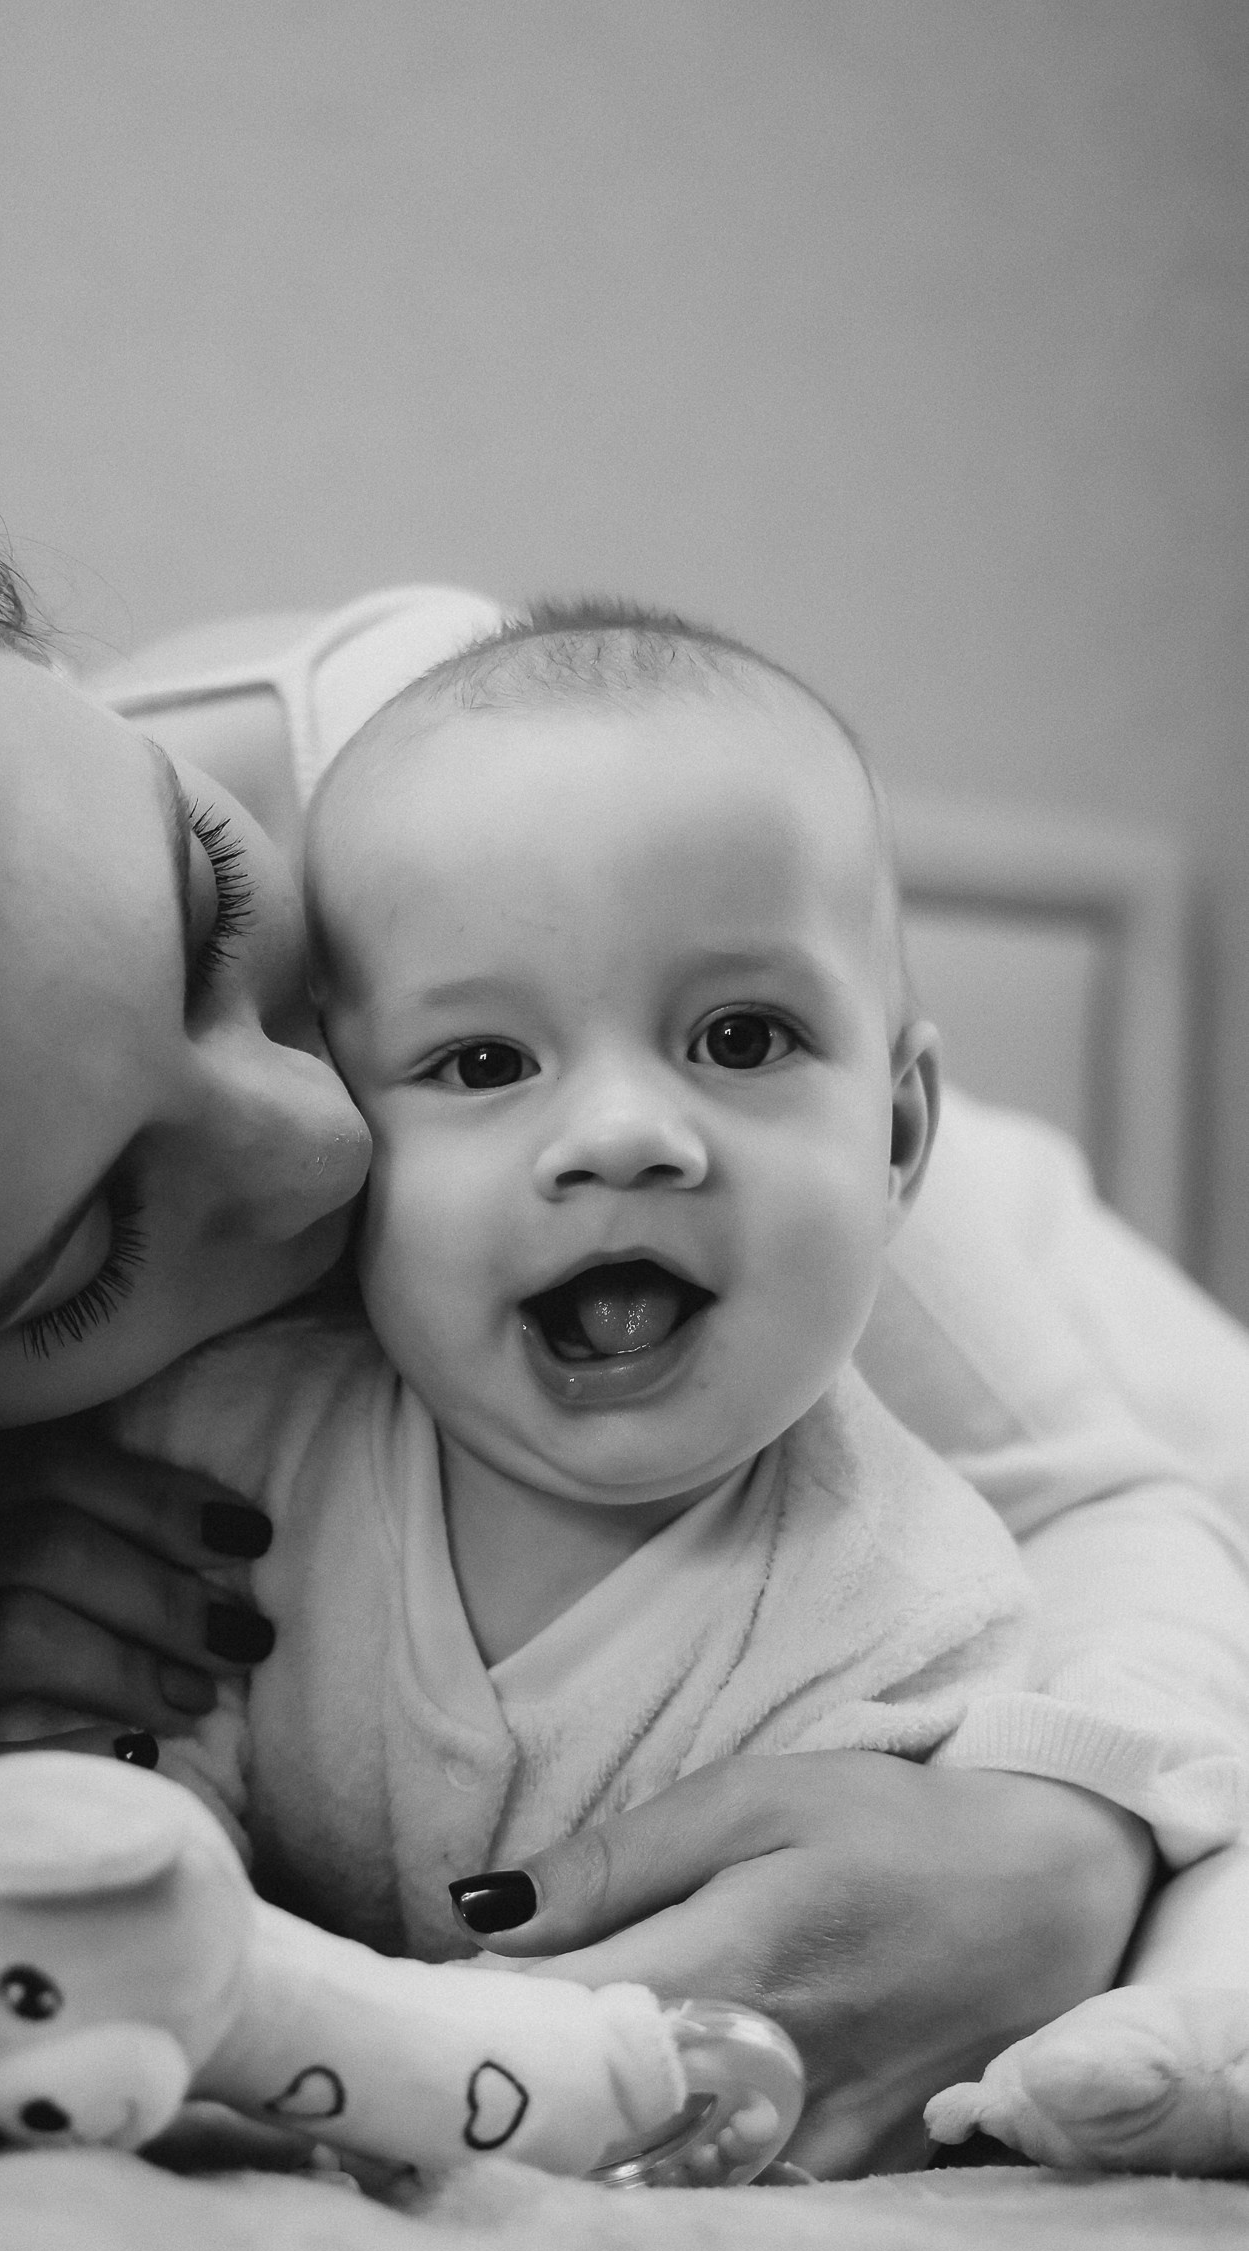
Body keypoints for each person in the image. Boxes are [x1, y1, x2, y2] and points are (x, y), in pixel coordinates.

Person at [0, 430, 1242, 2178]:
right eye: (90, 1249)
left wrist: (1067, 1838)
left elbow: (1111, 1504)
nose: (326, 1137)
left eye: (211, 905)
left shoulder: (513, 775)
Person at [111, 611, 1244, 2004]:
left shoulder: (910, 1607)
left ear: (899, 1134)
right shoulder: (242, 1447)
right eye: (483, 1062)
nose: (623, 1133)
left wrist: (1081, 1822)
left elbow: (1106, 1512)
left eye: (741, 1038)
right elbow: (105, 1790)